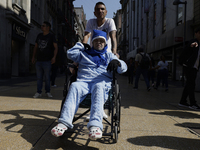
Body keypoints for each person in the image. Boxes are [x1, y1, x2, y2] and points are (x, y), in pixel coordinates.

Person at [51, 30, 127, 140]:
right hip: (84, 82)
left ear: (105, 43)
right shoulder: (84, 53)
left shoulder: (109, 55)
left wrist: (118, 62)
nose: (99, 43)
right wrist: (81, 44)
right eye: (96, 41)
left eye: (102, 41)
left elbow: (123, 68)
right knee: (74, 86)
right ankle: (64, 123)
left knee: (99, 86)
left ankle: (95, 125)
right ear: (92, 42)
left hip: (101, 82)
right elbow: (70, 54)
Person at [32, 21, 58, 98]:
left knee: (47, 77)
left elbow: (56, 48)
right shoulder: (39, 35)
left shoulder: (51, 36)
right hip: (39, 60)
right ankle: (38, 92)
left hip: (47, 60)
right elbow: (36, 47)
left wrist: (54, 57)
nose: (41, 27)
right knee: (39, 77)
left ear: (48, 28)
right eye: (42, 25)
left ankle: (48, 91)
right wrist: (33, 56)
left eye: (43, 26)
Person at [178, 27, 200, 110]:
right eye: (199, 33)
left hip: (194, 67)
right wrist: (192, 45)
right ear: (196, 34)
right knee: (191, 84)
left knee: (189, 84)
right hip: (188, 66)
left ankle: (182, 101)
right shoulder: (193, 42)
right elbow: (189, 47)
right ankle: (193, 103)